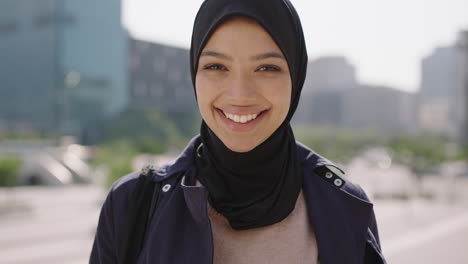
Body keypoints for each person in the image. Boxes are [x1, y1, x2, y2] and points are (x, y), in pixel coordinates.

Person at [90, 0, 386, 263]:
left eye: (267, 68)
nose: (240, 94)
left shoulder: (343, 205)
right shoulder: (132, 205)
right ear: (194, 74)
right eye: (217, 66)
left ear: (296, 76)